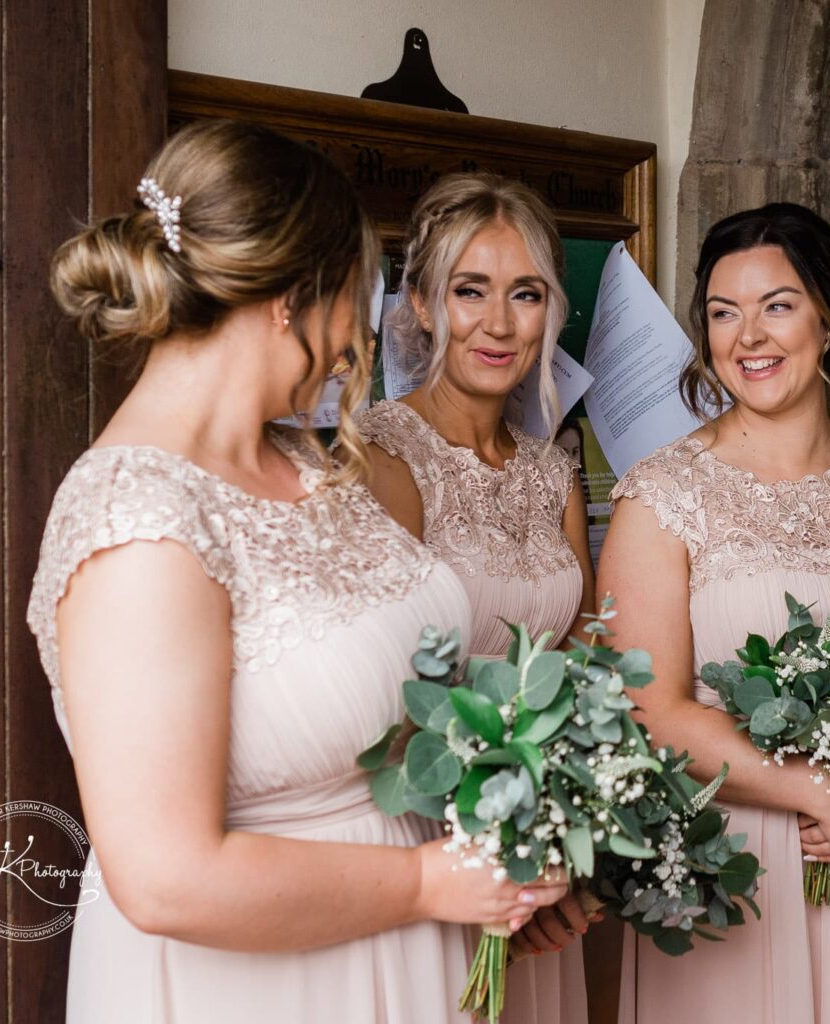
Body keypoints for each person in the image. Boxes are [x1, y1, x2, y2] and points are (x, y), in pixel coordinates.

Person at [27, 120, 567, 1024]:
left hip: (414, 953)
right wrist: (427, 882)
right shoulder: (137, 517)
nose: (359, 336)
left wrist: (498, 849)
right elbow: (168, 878)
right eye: (358, 294)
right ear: (297, 296)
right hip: (258, 985)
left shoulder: (310, 462)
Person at [598, 203, 830, 1023]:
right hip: (734, 849)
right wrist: (822, 790)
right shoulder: (662, 498)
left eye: (778, 305)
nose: (748, 336)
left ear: (829, 321)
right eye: (724, 313)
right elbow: (649, 708)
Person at [357, 172, 596, 1024]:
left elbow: (580, 665)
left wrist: (561, 846)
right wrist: (488, 840)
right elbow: (382, 690)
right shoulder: (382, 456)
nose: (500, 324)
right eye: (471, 291)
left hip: (536, 839)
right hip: (431, 827)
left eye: (525, 294)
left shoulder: (553, 469)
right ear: (421, 305)